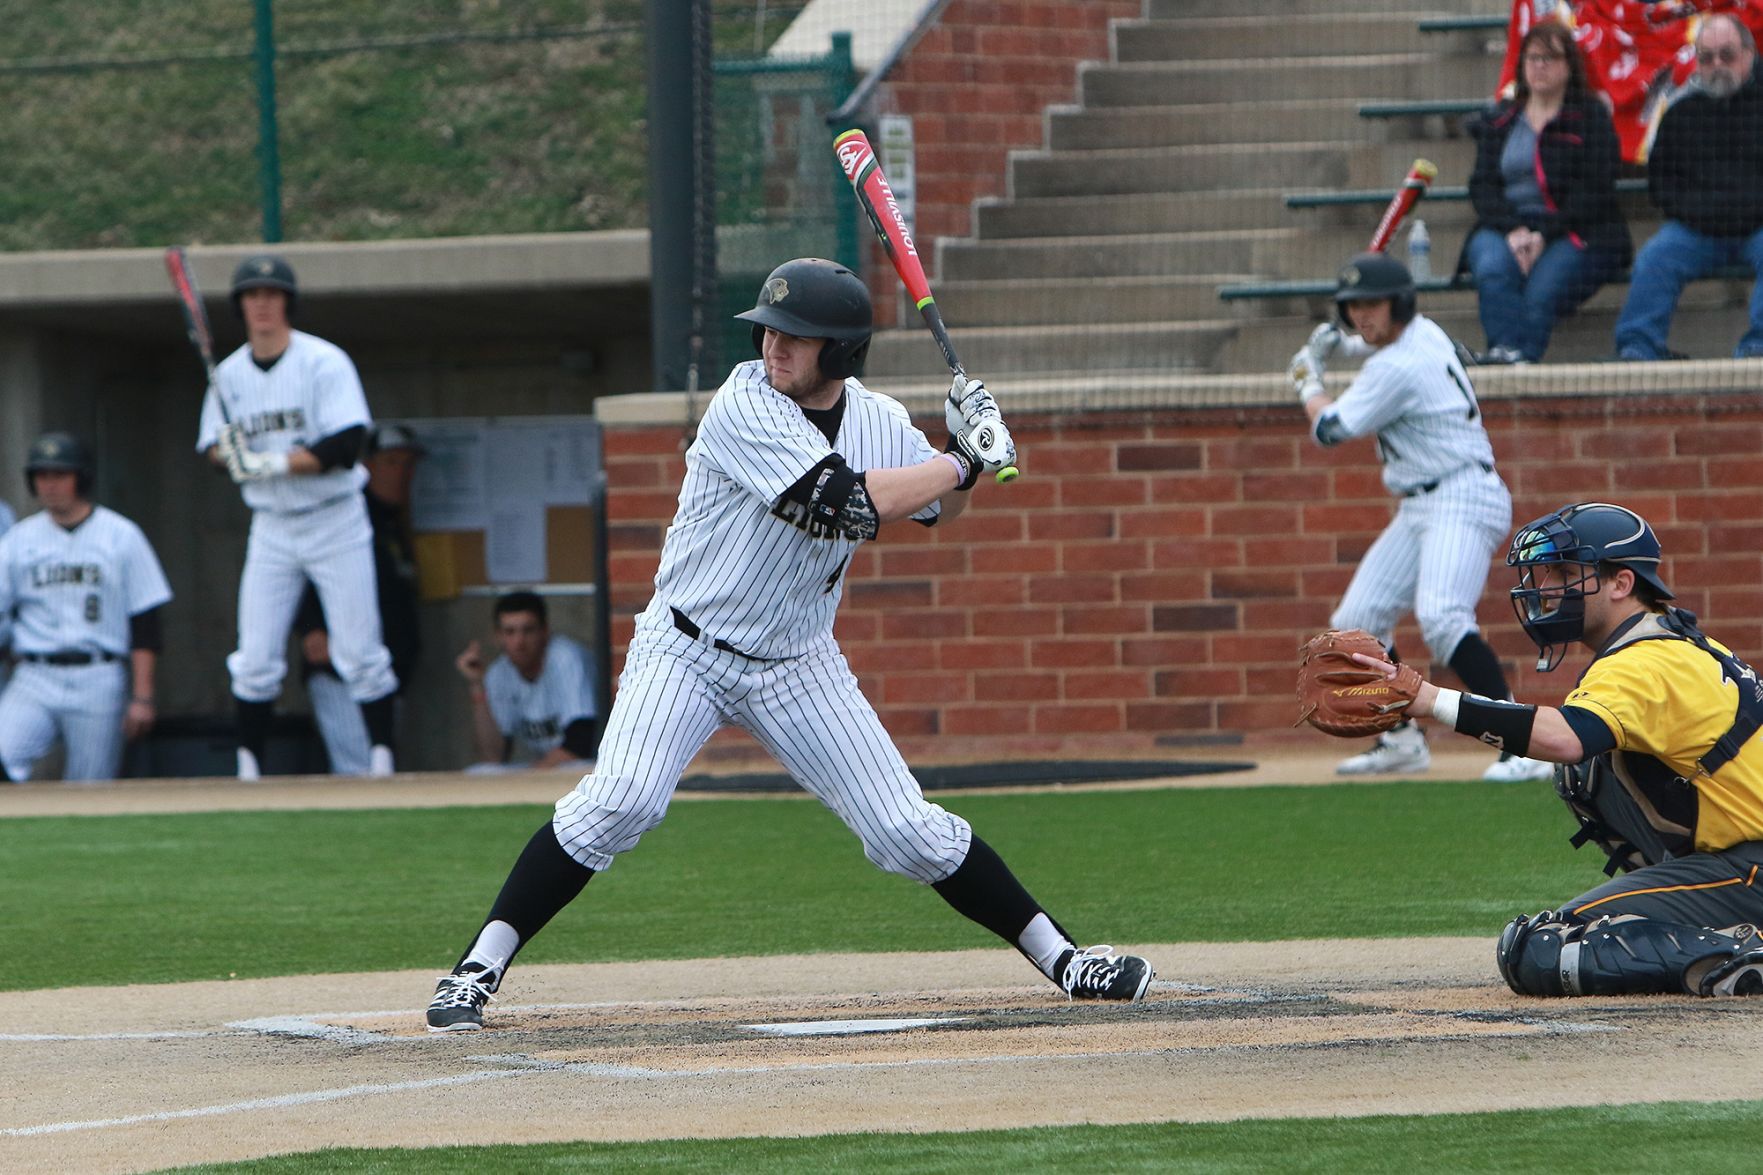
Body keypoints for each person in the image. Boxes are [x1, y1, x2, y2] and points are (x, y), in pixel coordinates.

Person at [424, 258, 1152, 1031]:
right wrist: (961, 459)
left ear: (836, 352)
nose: (773, 345)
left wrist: (962, 460)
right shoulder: (741, 404)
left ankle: (1066, 958)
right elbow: (843, 503)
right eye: (769, 330)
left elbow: (937, 515)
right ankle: (477, 967)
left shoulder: (876, 419)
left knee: (906, 830)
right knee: (619, 800)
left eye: (794, 337)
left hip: (798, 660)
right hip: (686, 648)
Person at [1355, 502, 1763, 997]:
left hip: (1751, 870)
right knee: (1590, 773)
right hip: (1741, 861)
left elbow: (1563, 739)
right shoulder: (1672, 640)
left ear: (1621, 583)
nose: (1547, 587)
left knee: (1542, 947)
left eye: (1568, 572)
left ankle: (1738, 953)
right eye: (1549, 572)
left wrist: (1429, 700)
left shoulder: (1644, 660)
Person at [1287, 252, 1551, 784]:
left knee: (1443, 617)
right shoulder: (1422, 333)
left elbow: (1331, 429)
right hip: (1423, 500)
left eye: (1373, 305)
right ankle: (1400, 739)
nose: (1364, 317)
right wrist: (1337, 342)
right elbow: (1373, 340)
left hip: (1462, 493)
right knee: (1358, 619)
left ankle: (1520, 745)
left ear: (1400, 303)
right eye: (1354, 307)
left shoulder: (1396, 366)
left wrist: (1306, 381)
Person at [195, 254, 400, 780]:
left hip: (335, 519)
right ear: (240, 306)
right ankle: (248, 766)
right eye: (252, 295)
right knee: (256, 655)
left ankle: (382, 760)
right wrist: (230, 454)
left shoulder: (323, 361)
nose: (262, 303)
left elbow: (347, 443)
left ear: (287, 301)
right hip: (273, 526)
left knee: (359, 651)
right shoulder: (230, 376)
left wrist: (272, 461)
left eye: (272, 293)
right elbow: (212, 451)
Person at [0, 433, 172, 782]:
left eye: (60, 475)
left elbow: (145, 621)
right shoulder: (18, 539)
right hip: (35, 674)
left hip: (98, 674)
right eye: (42, 476)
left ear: (82, 478)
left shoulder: (121, 535)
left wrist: (143, 697)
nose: (50, 485)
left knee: (91, 784)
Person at [1461, 20, 1630, 364]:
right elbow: (1482, 187)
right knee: (1493, 268)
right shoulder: (1501, 119)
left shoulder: (1590, 117)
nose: (1540, 66)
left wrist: (1542, 234)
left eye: (1550, 58)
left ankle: (1518, 364)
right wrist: (1515, 230)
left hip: (1577, 228)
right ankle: (1504, 354)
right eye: (1533, 58)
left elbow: (1596, 190)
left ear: (1569, 67)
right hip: (1507, 227)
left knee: (1542, 290)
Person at [1613, 13, 1763, 360]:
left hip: (1758, 228)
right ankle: (1638, 347)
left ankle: (1758, 348)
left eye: (1727, 55)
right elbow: (1662, 184)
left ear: (1750, 55)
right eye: (1706, 57)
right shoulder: (1680, 111)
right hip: (1697, 231)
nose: (1716, 65)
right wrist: (1698, 213)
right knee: (1656, 257)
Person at [294, 423, 426, 776]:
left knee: (377, 768)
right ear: (366, 465)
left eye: (409, 465)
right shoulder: (345, 512)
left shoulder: (390, 520)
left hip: (386, 672)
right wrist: (311, 627)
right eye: (392, 462)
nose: (403, 474)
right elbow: (299, 563)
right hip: (342, 673)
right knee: (361, 772)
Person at [453, 590, 598, 772]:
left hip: (585, 764)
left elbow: (580, 743)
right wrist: (477, 685)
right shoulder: (498, 673)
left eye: (527, 630)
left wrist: (532, 776)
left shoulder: (567, 658)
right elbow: (493, 756)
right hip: (545, 767)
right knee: (479, 772)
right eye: (509, 632)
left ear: (544, 631)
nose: (519, 642)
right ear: (498, 636)